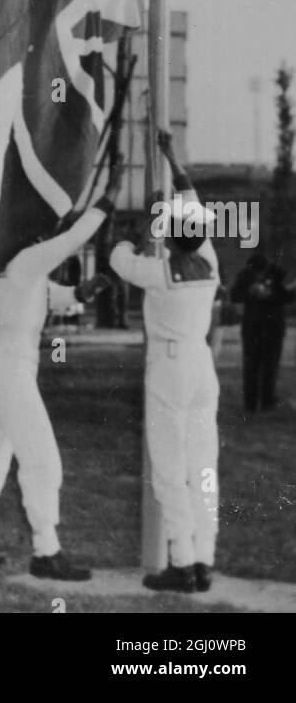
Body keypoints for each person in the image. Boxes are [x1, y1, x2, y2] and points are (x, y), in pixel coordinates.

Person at [0, 159, 124, 580]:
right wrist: (111, 192)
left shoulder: (23, 270)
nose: (52, 231)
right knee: (42, 460)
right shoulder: (29, 260)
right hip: (9, 372)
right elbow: (76, 236)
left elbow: (59, 296)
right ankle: (47, 552)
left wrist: (89, 289)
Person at [109, 130, 219, 594]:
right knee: (204, 468)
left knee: (170, 470)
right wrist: (173, 159)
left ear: (169, 239)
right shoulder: (210, 262)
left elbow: (118, 259)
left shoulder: (160, 272)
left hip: (170, 371)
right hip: (202, 368)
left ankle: (182, 562)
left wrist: (137, 232)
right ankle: (205, 561)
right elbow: (192, 205)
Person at [231, 252, 295, 413]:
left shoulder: (278, 274)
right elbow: (234, 295)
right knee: (251, 364)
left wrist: (271, 295)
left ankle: (267, 400)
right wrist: (250, 292)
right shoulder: (245, 275)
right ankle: (250, 403)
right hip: (253, 326)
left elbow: (289, 296)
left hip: (273, 325)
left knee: (270, 364)